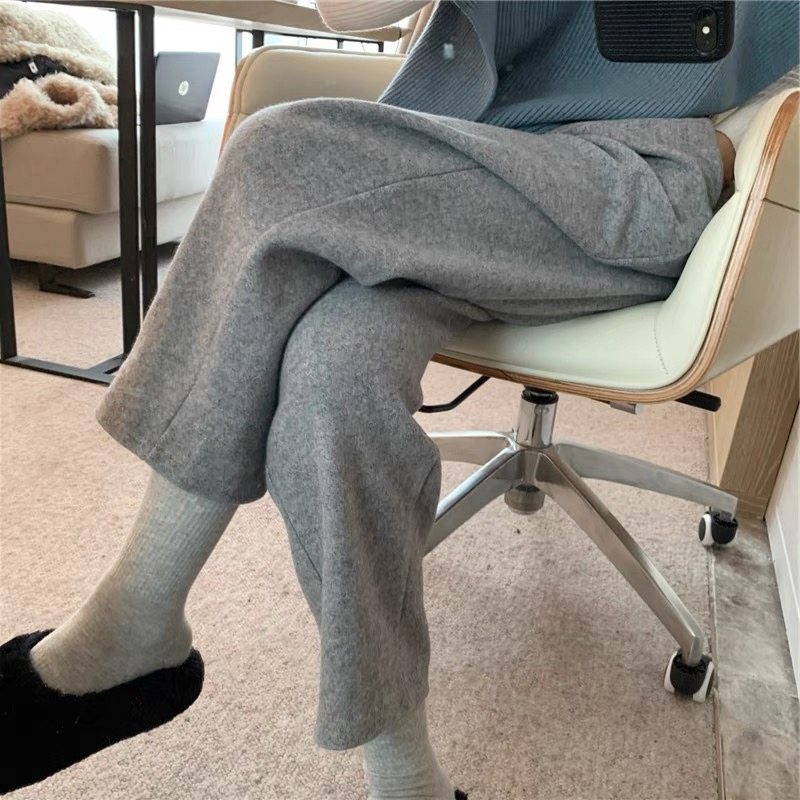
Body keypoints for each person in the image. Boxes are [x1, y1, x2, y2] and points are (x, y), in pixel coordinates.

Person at [1, 2, 797, 798]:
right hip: (461, 165)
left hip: (627, 182)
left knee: (276, 155)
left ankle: (132, 622)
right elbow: (352, 10)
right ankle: (408, 781)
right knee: (333, 367)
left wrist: (746, 132)